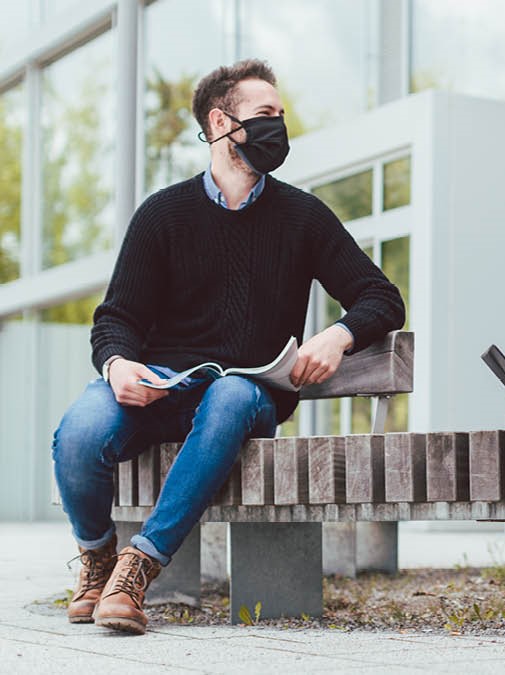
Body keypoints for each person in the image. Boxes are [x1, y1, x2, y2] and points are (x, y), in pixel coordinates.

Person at [52, 59, 405, 635]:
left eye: (281, 116)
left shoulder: (303, 216)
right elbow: (115, 318)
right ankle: (97, 559)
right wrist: (117, 366)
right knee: (81, 432)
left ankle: (137, 569)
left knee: (232, 394)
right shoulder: (163, 214)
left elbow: (381, 297)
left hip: (246, 396)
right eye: (265, 114)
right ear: (221, 122)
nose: (279, 127)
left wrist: (339, 334)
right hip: (163, 386)